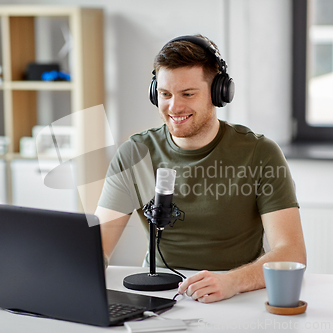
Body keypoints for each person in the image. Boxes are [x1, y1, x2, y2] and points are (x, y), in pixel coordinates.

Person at [95, 35, 306, 303]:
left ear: (218, 93)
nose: (174, 107)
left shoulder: (260, 153)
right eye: (165, 94)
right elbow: (97, 246)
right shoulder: (135, 153)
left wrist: (232, 282)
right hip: (160, 296)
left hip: (236, 295)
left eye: (188, 94)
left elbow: (292, 252)